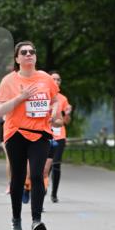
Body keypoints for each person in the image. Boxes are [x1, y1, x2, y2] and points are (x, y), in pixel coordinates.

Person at [0, 41, 61, 230]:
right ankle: (16, 220)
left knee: (37, 175)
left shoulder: (46, 79)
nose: (28, 54)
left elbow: (55, 99)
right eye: (23, 52)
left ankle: (36, 220)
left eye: (32, 51)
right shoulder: (9, 81)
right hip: (16, 133)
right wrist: (20, 98)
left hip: (40, 133)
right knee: (18, 177)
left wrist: (54, 113)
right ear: (17, 59)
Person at [45, 71, 72, 203]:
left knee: (56, 164)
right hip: (44, 134)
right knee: (45, 166)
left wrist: (67, 114)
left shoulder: (63, 99)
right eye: (53, 79)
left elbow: (66, 121)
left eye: (58, 79)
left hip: (59, 134)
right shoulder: (42, 96)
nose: (56, 81)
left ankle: (54, 194)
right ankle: (42, 190)